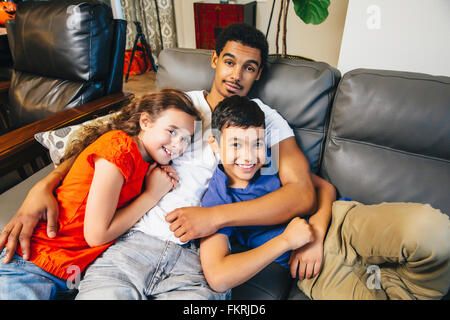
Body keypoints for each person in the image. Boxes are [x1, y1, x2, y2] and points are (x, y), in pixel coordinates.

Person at [1, 22, 449, 300]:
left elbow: (302, 190)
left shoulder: (266, 121)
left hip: (206, 246)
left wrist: (212, 219)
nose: (236, 74)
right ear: (214, 60)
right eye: (230, 61)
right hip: (136, 245)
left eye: (250, 67)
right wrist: (40, 188)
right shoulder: (178, 110)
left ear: (259, 74)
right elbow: (102, 140)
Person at [0, 89, 200, 299]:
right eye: (172, 131)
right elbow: (97, 235)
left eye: (186, 139)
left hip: (67, 274)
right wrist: (151, 195)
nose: (178, 145)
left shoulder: (144, 163)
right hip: (34, 261)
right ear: (146, 122)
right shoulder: (120, 149)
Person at [199, 95, 336, 293]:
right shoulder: (217, 199)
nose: (248, 157)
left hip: (342, 223)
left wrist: (316, 234)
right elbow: (218, 277)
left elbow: (325, 188)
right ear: (215, 144)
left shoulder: (272, 163)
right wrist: (285, 241)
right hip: (319, 270)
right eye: (236, 144)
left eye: (257, 144)